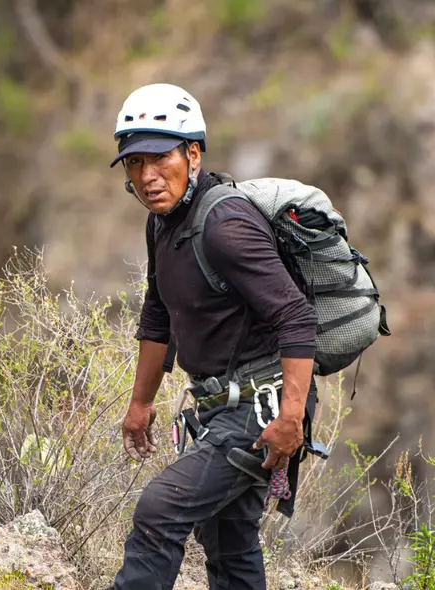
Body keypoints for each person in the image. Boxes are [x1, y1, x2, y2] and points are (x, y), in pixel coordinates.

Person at [108, 82, 320, 589]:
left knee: (159, 511)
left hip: (261, 406)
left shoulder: (224, 223)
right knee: (227, 539)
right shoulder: (162, 222)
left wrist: (292, 420)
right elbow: (157, 315)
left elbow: (295, 317)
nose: (147, 176)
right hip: (218, 406)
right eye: (134, 163)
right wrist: (140, 404)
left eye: (160, 158)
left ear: (193, 153)